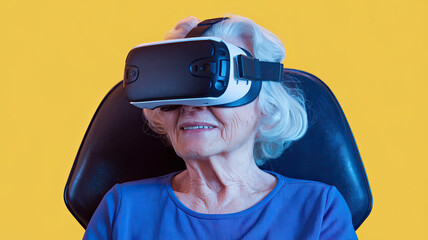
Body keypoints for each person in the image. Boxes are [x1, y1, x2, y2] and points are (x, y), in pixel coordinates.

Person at [83, 15, 358, 240]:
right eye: (178, 90)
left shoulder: (319, 211)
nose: (191, 106)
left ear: (265, 104)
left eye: (217, 86)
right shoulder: (123, 210)